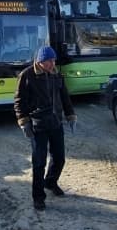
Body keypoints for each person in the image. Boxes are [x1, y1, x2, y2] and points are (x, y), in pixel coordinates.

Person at [14, 45, 77, 211]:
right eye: (49, 61)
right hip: (38, 125)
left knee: (59, 158)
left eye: (54, 60)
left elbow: (65, 96)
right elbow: (19, 101)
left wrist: (70, 115)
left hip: (56, 123)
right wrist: (23, 121)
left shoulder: (56, 75)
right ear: (40, 61)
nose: (52, 64)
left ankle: (50, 182)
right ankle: (38, 197)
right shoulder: (27, 75)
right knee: (39, 162)